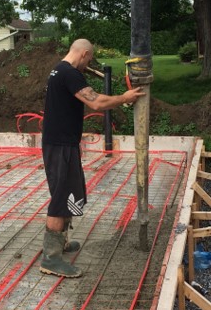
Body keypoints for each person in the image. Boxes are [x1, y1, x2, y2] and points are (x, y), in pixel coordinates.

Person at [40, 39, 146, 278]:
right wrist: (124, 97)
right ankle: (51, 258)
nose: (90, 63)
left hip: (59, 143)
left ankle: (60, 243)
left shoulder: (59, 69)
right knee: (60, 197)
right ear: (85, 54)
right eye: (90, 59)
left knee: (66, 192)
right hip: (60, 146)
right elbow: (96, 102)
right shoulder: (69, 74)